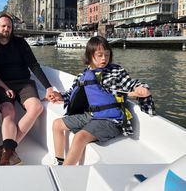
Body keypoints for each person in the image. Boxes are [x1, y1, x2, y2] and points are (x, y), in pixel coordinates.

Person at [49, 36, 155, 166]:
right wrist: (59, 96)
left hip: (111, 121)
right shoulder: (84, 75)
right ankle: (59, 161)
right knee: (57, 124)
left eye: (107, 54)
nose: (104, 58)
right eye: (99, 55)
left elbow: (131, 84)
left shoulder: (116, 71)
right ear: (90, 56)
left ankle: (65, 172)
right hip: (91, 116)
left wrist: (141, 88)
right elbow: (72, 94)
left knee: (79, 137)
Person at [0, 12, 54, 165]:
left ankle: (6, 149)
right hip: (2, 85)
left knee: (36, 107)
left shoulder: (20, 43)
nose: (6, 29)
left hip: (24, 83)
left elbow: (34, 65)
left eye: (9, 26)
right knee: (8, 112)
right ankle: (8, 151)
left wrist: (48, 87)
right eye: (3, 26)